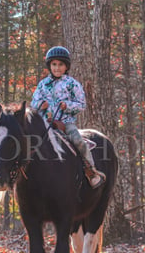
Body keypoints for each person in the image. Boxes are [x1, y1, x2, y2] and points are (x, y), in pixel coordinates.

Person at [30, 46, 106, 188]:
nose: (57, 68)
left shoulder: (72, 84)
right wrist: (41, 104)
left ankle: (91, 171)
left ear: (66, 66)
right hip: (45, 123)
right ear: (49, 66)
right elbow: (33, 103)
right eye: (54, 64)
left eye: (60, 65)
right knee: (30, 142)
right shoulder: (42, 84)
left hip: (65, 123)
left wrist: (67, 105)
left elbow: (81, 104)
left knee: (78, 141)